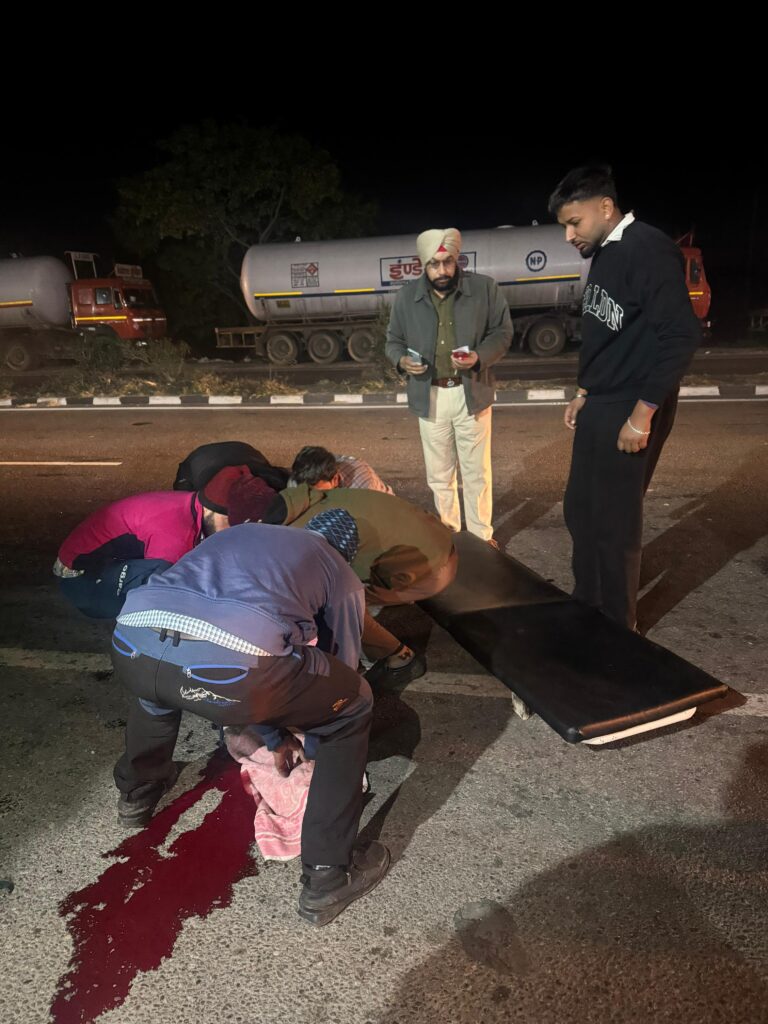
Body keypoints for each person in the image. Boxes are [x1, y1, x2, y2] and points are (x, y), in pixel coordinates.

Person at [111, 521, 389, 926]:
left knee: (158, 688)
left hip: (131, 636)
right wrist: (307, 738)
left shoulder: (242, 534)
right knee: (352, 705)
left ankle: (138, 790)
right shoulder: (337, 569)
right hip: (232, 665)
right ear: (344, 550)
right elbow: (341, 663)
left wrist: (273, 733)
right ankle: (328, 876)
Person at [549, 164, 701, 629]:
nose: (569, 235)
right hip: (602, 398)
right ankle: (588, 601)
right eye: (564, 226)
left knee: (615, 521)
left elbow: (681, 335)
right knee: (580, 508)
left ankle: (618, 625)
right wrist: (584, 390)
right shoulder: (605, 253)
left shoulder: (647, 248)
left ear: (606, 207)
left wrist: (642, 414)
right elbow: (606, 334)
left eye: (574, 222)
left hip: (633, 402)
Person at [227, 475, 458, 686]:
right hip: (438, 539)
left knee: (333, 605)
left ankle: (400, 658)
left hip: (432, 569)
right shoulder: (302, 501)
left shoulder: (297, 538)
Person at [385, 227, 513, 545]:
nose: (442, 271)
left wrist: (479, 357)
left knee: (476, 472)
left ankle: (482, 537)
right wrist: (402, 361)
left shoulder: (484, 289)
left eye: (448, 262)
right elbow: (393, 341)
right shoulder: (406, 297)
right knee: (440, 475)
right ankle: (451, 536)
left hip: (472, 391)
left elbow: (502, 333)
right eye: (434, 264)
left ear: (457, 260)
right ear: (423, 264)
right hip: (429, 395)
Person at [54, 465, 250, 618]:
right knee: (178, 589)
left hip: (110, 560)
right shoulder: (176, 535)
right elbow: (161, 591)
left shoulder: (194, 505)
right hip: (81, 579)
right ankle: (135, 643)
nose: (236, 529)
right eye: (233, 522)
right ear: (214, 511)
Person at [288, 445, 394, 494]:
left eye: (316, 492)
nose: (311, 497)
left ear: (335, 479)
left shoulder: (362, 486)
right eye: (307, 491)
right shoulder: (297, 480)